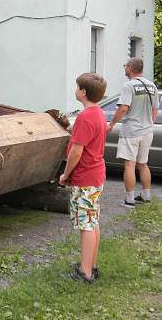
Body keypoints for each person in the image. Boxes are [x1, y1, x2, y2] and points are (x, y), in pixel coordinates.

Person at [59, 73, 107, 283]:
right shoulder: (97, 113)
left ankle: (85, 273)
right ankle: (91, 265)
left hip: (85, 177)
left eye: (77, 87)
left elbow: (76, 152)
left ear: (84, 92)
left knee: (85, 224)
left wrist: (65, 174)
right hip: (96, 175)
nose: (75, 89)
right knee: (92, 220)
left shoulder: (85, 117)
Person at [107, 57, 159, 207]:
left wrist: (112, 124)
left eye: (126, 66)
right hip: (147, 131)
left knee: (129, 165)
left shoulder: (128, 86)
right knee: (143, 164)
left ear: (130, 67)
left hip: (131, 131)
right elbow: (154, 109)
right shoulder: (152, 86)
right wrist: (149, 123)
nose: (125, 68)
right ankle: (146, 196)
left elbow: (123, 108)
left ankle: (129, 200)